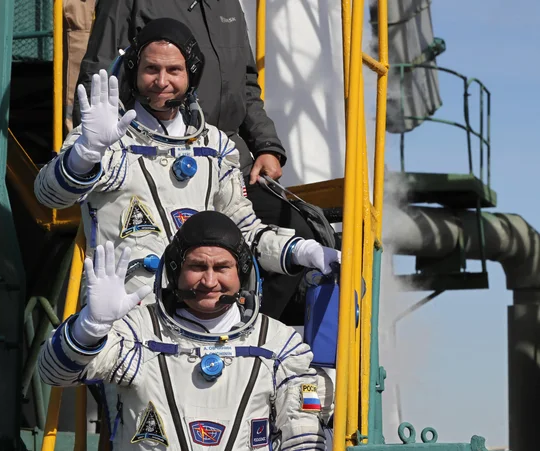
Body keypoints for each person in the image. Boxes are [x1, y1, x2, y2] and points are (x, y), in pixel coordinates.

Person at [34, 18, 340, 309]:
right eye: (151, 69)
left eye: (174, 70)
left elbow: (243, 231)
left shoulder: (216, 147)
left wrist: (303, 250)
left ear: (191, 74)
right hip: (124, 317)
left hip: (198, 316)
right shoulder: (104, 137)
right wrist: (85, 153)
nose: (162, 81)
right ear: (133, 71)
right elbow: (51, 196)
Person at [38, 210, 328, 449]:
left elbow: (302, 435)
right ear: (175, 272)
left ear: (242, 274)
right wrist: (91, 327)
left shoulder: (278, 345)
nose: (210, 281)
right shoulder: (139, 333)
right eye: (198, 266)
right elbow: (53, 373)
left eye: (222, 267)